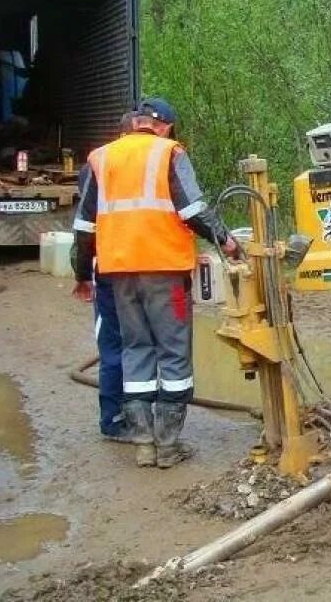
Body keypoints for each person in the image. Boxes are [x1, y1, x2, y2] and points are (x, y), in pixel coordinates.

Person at [71, 97, 241, 468]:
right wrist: (226, 241)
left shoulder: (101, 157)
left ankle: (144, 443)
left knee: (136, 349)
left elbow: (85, 226)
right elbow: (192, 210)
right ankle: (168, 446)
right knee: (173, 351)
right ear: (162, 126)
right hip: (164, 271)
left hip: (118, 274)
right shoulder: (169, 153)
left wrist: (83, 274)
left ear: (133, 124)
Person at [72, 112, 137, 443]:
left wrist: (82, 273)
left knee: (113, 345)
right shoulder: (155, 161)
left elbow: (84, 227)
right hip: (146, 269)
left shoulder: (96, 165)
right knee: (140, 345)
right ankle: (128, 417)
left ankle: (116, 418)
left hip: (109, 268)